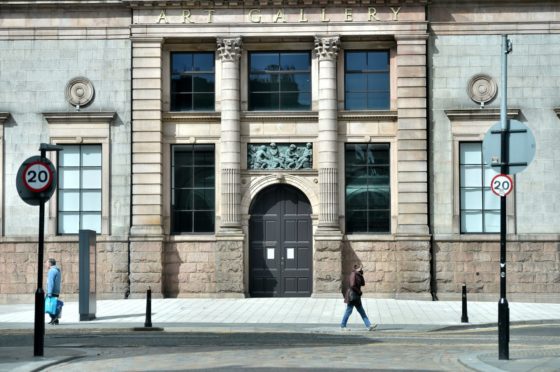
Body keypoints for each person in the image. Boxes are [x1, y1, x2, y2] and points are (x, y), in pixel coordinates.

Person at [340, 264, 377, 331]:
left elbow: (363, 284)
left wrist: (361, 274)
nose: (361, 269)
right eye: (361, 268)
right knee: (349, 311)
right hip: (352, 296)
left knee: (362, 311)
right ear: (357, 268)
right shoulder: (353, 274)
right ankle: (343, 326)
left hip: (356, 297)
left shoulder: (358, 275)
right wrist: (359, 292)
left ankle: (368, 325)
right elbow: (352, 285)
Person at [46, 258, 61, 325]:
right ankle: (54, 320)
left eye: (46, 263)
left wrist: (49, 292)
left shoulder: (52, 271)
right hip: (56, 291)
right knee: (53, 306)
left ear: (50, 263)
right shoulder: (57, 270)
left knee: (50, 306)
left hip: (52, 291)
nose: (45, 264)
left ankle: (54, 319)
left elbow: (50, 282)